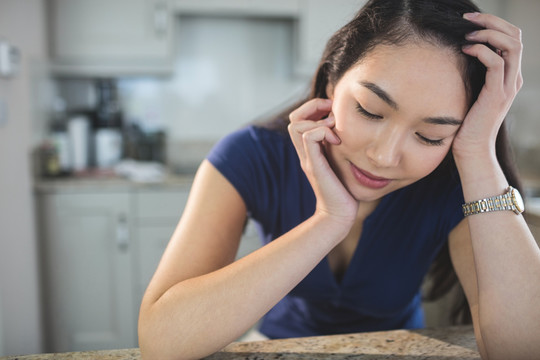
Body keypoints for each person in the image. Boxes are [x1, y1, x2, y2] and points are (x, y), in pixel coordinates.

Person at [138, 0, 540, 359]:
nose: (383, 157)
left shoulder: (454, 181)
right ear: (331, 83)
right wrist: (329, 220)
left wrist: (476, 150)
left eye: (430, 135)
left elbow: (523, 350)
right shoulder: (250, 155)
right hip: (276, 345)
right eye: (370, 110)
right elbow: (162, 342)